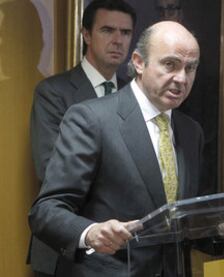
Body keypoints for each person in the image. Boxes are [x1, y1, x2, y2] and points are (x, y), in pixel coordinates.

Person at [29, 21, 224, 277]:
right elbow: (46, 211)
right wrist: (90, 233)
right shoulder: (91, 119)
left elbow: (186, 214)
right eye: (170, 64)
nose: (181, 78)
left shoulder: (191, 131)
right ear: (139, 62)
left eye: (190, 68)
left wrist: (223, 226)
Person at [28, 1, 136, 276]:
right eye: (107, 30)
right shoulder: (54, 92)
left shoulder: (134, 96)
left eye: (125, 33)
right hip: (66, 248)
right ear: (86, 35)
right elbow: (48, 167)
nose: (117, 40)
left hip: (122, 252)